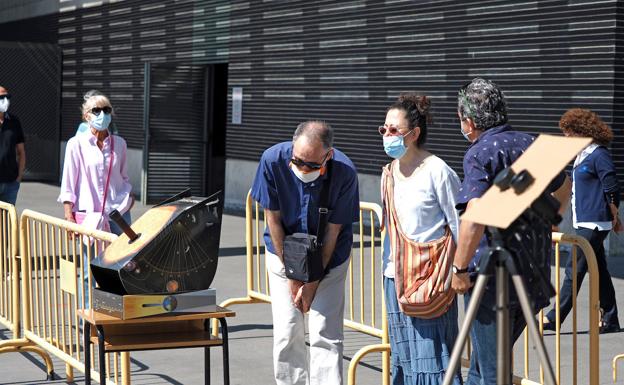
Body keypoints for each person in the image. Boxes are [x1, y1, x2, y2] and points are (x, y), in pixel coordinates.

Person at [450, 78, 571, 385]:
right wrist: (551, 219)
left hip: (491, 281)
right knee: (483, 365)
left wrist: (459, 269)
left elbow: (474, 218)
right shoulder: (531, 143)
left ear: (470, 120)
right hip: (532, 273)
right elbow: (565, 185)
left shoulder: (480, 154)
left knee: (492, 372)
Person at [250, 120, 359, 385]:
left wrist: (311, 282)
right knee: (288, 329)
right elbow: (272, 220)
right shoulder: (273, 160)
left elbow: (333, 232)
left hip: (330, 258)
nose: (302, 169)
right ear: (292, 147)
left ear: (328, 155)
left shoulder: (344, 172)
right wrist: (292, 275)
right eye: (297, 161)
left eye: (312, 165)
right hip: (282, 252)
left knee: (325, 332)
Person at [379, 94, 462, 384]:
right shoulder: (388, 173)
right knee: (403, 356)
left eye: (394, 130)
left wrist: (457, 271)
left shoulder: (438, 171)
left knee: (433, 356)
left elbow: (460, 224)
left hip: (431, 279)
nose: (387, 135)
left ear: (413, 134)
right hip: (394, 278)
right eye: (384, 129)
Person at [543, 108, 621, 334]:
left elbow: (611, 188)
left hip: (595, 222)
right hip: (583, 220)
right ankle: (611, 318)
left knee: (573, 270)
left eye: (569, 132)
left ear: (582, 130)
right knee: (601, 271)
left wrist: (615, 216)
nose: (566, 137)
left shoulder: (599, 154)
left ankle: (554, 317)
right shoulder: (582, 155)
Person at [58, 93, 133, 236]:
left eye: (106, 110)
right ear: (86, 116)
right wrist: (69, 216)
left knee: (124, 257)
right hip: (89, 216)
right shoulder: (76, 144)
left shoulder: (120, 143)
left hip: (119, 212)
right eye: (96, 111)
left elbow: (124, 177)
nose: (102, 114)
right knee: (92, 259)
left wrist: (129, 198)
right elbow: (68, 184)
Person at [0, 86, 25, 205]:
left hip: (10, 183)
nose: (5, 100)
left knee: (7, 222)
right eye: (1, 97)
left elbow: (21, 152)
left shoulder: (14, 121)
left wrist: (18, 178)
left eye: (7, 97)